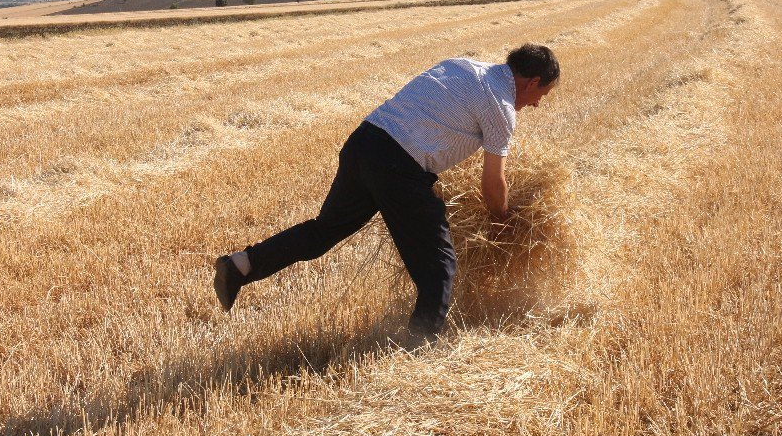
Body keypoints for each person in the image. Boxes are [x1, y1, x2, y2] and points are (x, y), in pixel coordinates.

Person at [213, 43, 560, 338]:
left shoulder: (463, 65)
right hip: (398, 167)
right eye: (541, 95)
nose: (536, 104)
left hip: (364, 141)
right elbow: (492, 182)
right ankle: (417, 354)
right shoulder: (500, 107)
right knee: (439, 268)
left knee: (324, 230)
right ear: (531, 82)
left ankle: (240, 265)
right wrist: (502, 220)